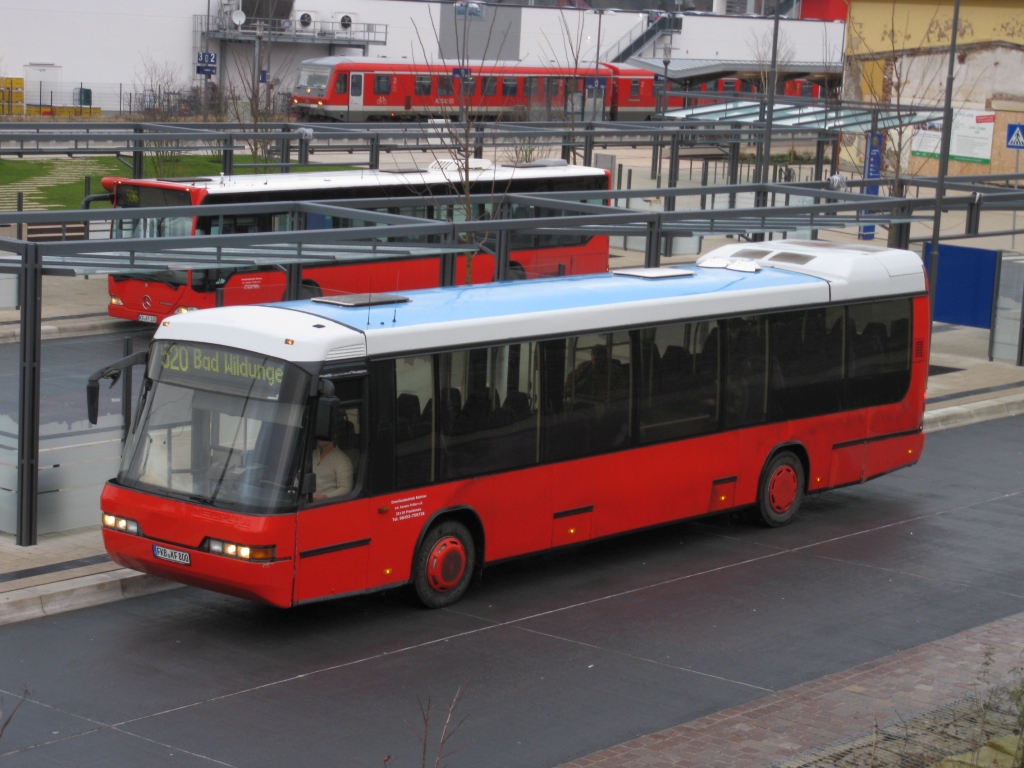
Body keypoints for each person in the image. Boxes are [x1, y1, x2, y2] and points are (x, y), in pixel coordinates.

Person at [312, 425, 354, 500]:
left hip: (326, 504)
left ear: (334, 436)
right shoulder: (310, 455)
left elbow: (345, 488)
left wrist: (325, 497)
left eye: (325, 434)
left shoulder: (342, 460)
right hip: (303, 504)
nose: (322, 437)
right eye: (320, 433)